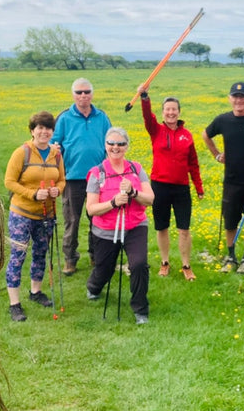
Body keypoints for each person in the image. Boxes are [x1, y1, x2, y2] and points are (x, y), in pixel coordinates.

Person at [85, 128, 155, 324]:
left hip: (135, 226)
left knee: (139, 264)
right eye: (111, 143)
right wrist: (113, 203)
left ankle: (140, 309)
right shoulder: (97, 173)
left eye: (120, 144)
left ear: (127, 146)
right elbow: (91, 209)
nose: (116, 147)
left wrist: (133, 192)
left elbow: (150, 199)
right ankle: (94, 286)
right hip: (106, 229)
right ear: (105, 146)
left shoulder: (136, 169)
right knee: (105, 269)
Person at [202, 82, 244, 274]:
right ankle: (231, 256)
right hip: (231, 180)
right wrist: (216, 154)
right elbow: (205, 135)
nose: (239, 100)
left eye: (243, 96)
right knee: (230, 221)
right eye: (235, 96)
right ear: (230, 98)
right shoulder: (223, 120)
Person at [4, 111, 66, 321]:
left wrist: (58, 189)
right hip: (22, 213)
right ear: (32, 130)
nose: (44, 132)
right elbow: (9, 182)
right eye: (39, 127)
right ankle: (14, 304)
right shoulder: (22, 153)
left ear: (52, 132)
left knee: (41, 253)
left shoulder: (56, 154)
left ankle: (35, 292)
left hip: (46, 214)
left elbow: (62, 180)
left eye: (48, 128)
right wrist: (32, 193)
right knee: (18, 255)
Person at [138, 85, 204, 281]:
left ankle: (186, 265)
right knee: (162, 227)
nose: (171, 112)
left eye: (174, 109)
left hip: (181, 188)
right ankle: (165, 262)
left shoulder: (187, 135)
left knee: (184, 229)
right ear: (163, 112)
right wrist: (144, 98)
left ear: (179, 111)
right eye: (167, 109)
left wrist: (199, 187)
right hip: (160, 186)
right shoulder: (156, 130)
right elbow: (147, 117)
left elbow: (193, 164)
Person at [51, 78, 111, 276]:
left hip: (98, 177)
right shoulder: (65, 118)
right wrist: (55, 149)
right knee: (72, 219)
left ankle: (96, 255)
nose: (83, 95)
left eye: (86, 92)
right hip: (72, 177)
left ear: (92, 94)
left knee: (97, 217)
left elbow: (110, 142)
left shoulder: (102, 117)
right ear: (73, 94)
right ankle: (70, 259)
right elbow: (54, 142)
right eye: (79, 92)